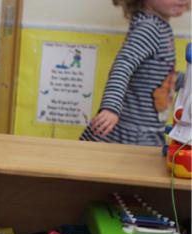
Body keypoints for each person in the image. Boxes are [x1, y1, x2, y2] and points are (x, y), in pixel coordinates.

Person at [80, 0, 189, 146]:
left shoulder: (160, 27)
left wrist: (187, 80)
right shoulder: (149, 28)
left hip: (147, 130)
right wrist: (111, 108)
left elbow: (161, 76)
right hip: (131, 134)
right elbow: (122, 67)